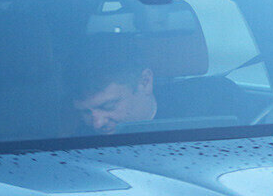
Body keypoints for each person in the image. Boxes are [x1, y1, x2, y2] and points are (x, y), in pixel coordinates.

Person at [70, 38, 241, 135]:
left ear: (145, 81)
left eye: (109, 106)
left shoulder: (217, 102)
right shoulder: (74, 141)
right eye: (85, 112)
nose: (96, 124)